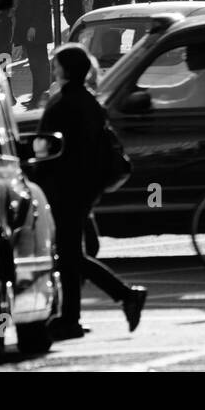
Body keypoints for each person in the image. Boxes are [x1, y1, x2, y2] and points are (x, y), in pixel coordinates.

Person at [37, 44, 147, 339]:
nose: (54, 69)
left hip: (66, 188)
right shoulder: (88, 101)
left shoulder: (63, 104)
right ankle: (71, 318)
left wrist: (38, 173)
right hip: (85, 187)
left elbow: (48, 148)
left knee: (71, 255)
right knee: (72, 254)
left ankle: (126, 295)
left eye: (57, 64)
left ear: (67, 69)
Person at [11, 0, 53, 109]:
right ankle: (36, 96)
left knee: (39, 64)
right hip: (30, 25)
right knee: (35, 65)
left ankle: (41, 97)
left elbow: (42, 3)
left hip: (35, 27)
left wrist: (34, 26)